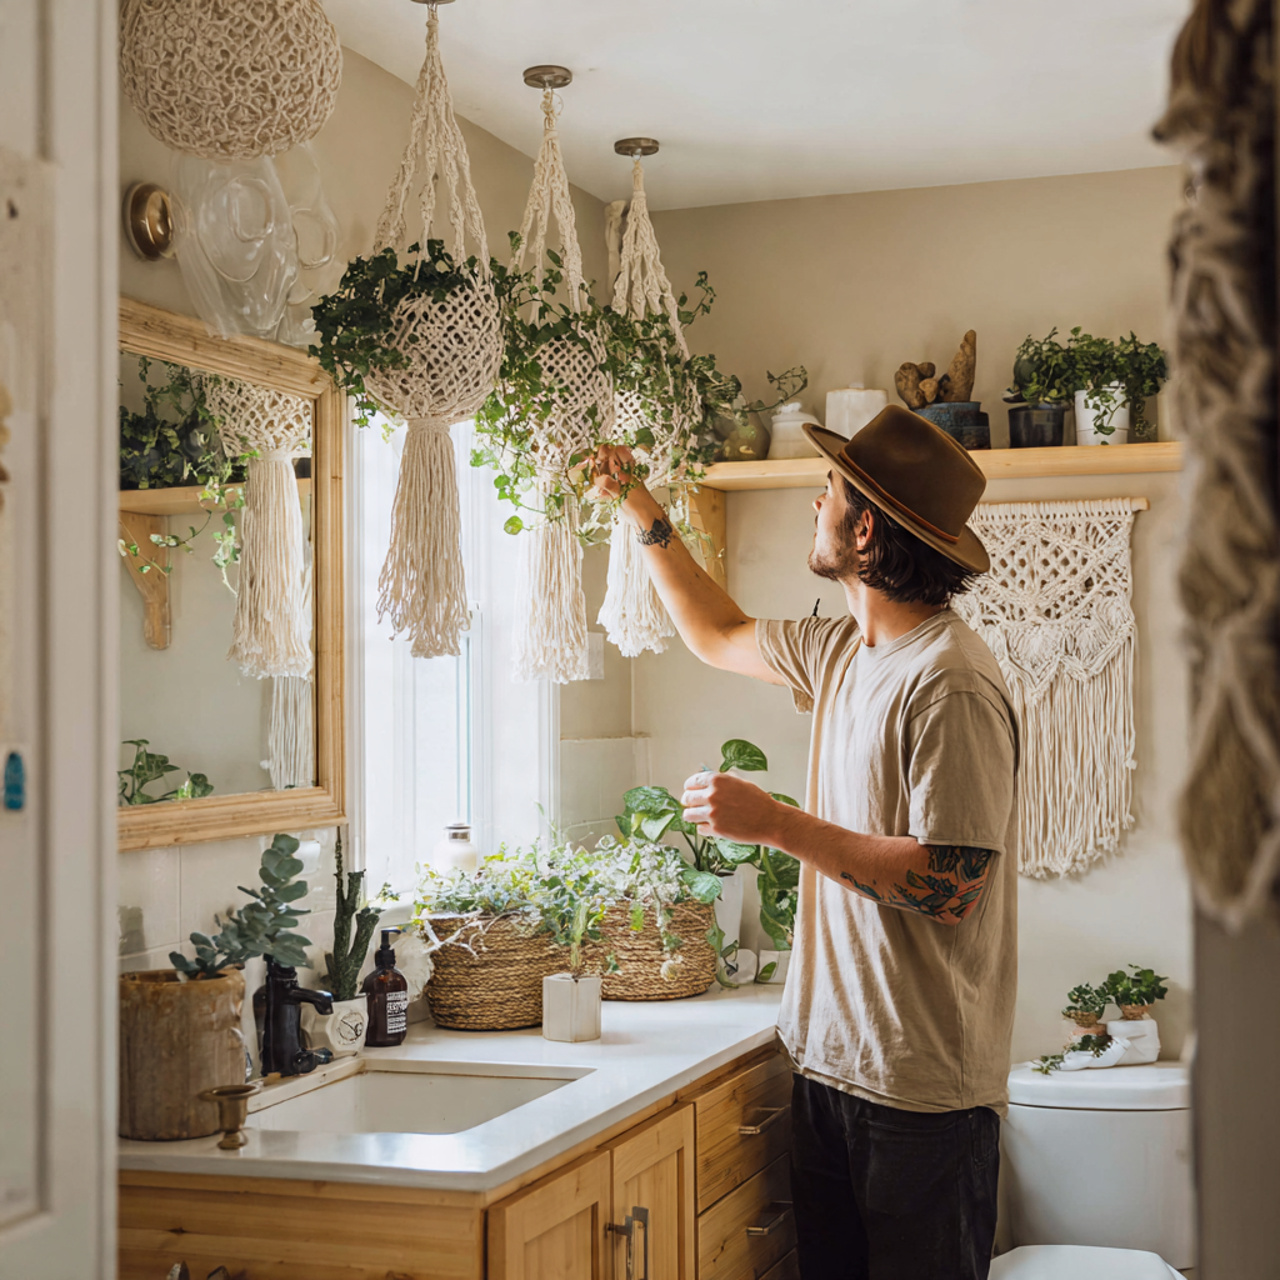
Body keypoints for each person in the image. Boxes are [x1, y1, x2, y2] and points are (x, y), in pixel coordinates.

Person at [592, 405, 1019, 1280]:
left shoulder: (951, 683)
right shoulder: (840, 653)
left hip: (921, 1100)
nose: (810, 506)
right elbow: (715, 634)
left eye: (824, 491)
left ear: (863, 529)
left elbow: (952, 884)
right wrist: (642, 509)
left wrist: (776, 826)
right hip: (828, 1070)